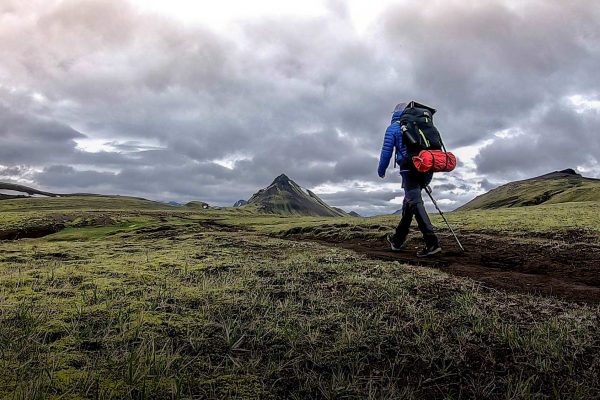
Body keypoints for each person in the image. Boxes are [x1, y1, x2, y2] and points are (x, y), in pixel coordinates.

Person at [377, 102, 442, 257]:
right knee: (409, 202)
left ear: (395, 114)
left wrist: (381, 170)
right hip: (426, 167)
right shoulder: (420, 124)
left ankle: (432, 243)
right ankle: (397, 240)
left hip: (409, 168)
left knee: (414, 202)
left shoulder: (394, 128)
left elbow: (386, 151)